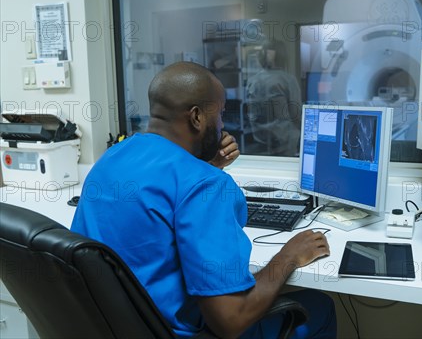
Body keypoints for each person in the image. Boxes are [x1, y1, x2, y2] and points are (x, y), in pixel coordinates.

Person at [71, 62, 336, 338]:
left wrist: (206, 165)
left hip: (118, 326)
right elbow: (230, 319)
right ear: (197, 117)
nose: (222, 125)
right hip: (179, 332)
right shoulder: (205, 184)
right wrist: (288, 256)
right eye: (220, 114)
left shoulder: (112, 157)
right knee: (321, 306)